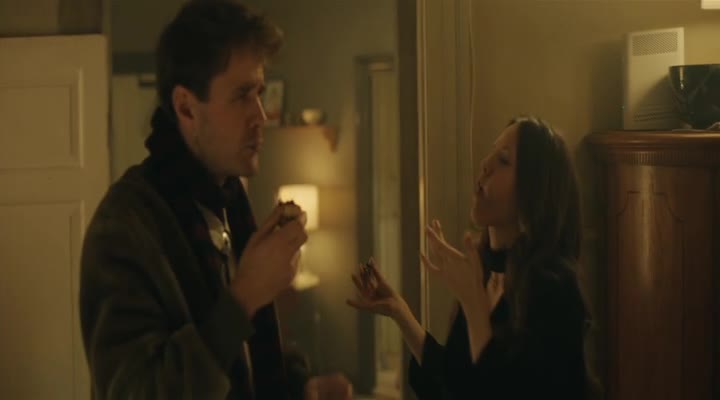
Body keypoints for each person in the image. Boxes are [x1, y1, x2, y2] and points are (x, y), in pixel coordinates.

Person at [79, 1, 352, 399]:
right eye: (242, 95)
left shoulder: (228, 201)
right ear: (186, 108)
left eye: (259, 92)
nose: (260, 115)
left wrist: (301, 390)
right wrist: (244, 296)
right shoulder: (124, 226)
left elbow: (244, 362)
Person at [348, 116, 599, 399]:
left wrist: (474, 306)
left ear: (533, 191)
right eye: (492, 152)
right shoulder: (488, 272)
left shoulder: (555, 288)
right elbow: (454, 384)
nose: (485, 164)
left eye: (503, 160)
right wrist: (400, 312)